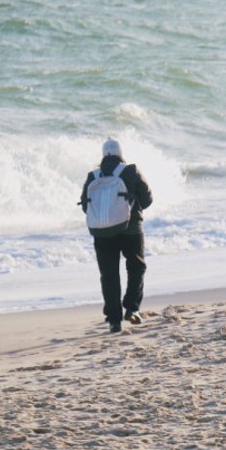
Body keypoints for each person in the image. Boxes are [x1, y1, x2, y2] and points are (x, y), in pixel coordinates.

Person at [81, 138, 153, 333]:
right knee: (136, 266)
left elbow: (86, 206)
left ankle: (114, 320)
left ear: (103, 155)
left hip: (102, 232)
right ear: (121, 153)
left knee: (109, 275)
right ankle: (132, 308)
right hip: (131, 229)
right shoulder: (131, 170)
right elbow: (147, 200)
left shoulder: (93, 175)